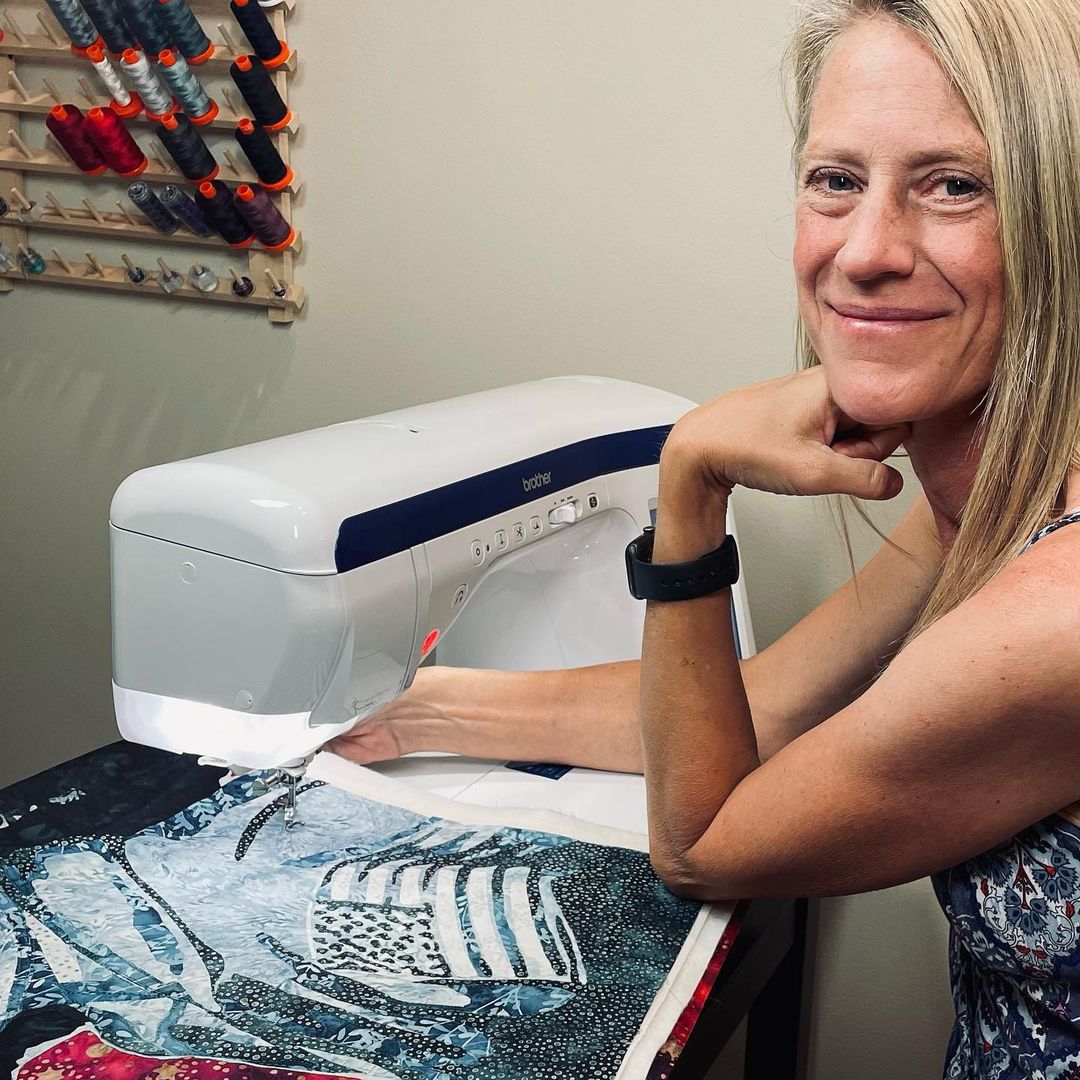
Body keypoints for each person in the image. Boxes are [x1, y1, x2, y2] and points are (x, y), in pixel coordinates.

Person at [332, 0, 1080, 1073]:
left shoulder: (1060, 611)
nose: (866, 251)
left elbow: (706, 840)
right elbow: (767, 708)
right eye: (835, 180)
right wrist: (410, 714)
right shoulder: (993, 504)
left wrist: (691, 479)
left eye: (953, 185)